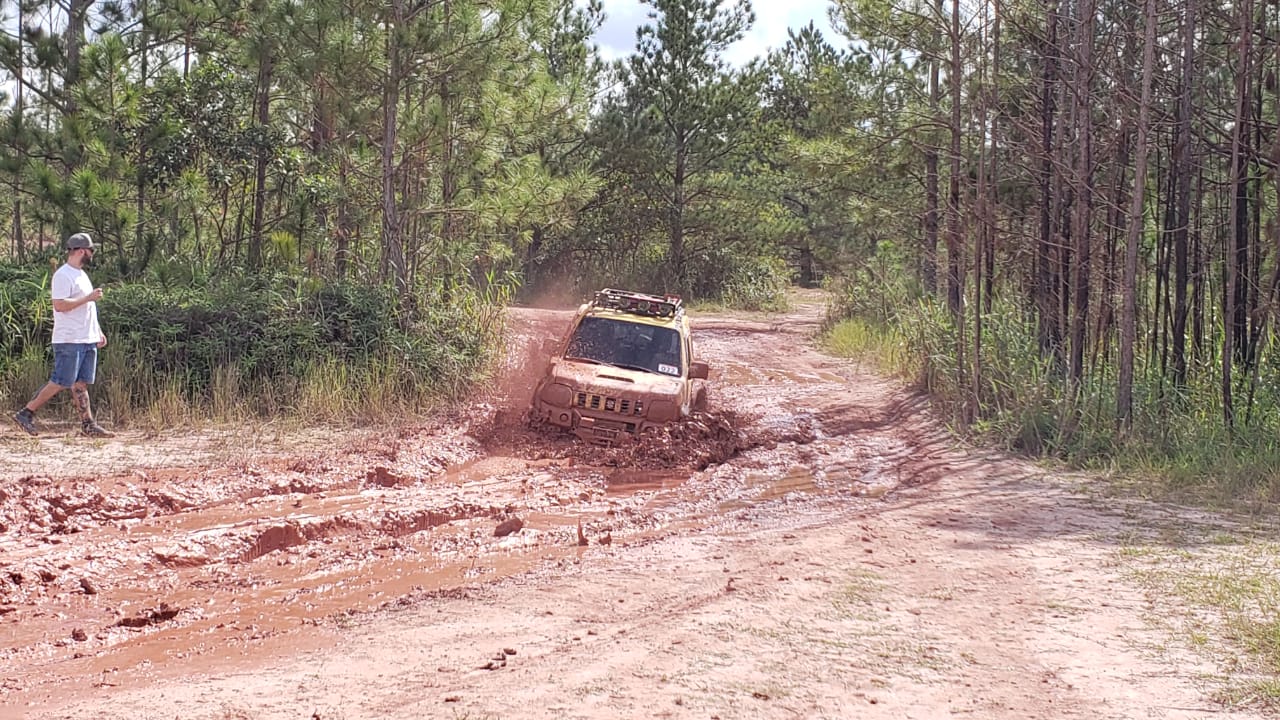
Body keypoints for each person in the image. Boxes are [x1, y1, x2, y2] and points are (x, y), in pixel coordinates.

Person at [13, 232, 114, 438]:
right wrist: (89, 297)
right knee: (61, 381)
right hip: (69, 339)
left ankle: (88, 424)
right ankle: (26, 413)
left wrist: (97, 331)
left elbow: (88, 308)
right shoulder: (63, 275)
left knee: (81, 383)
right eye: (90, 250)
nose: (92, 254)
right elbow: (59, 305)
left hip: (86, 337)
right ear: (81, 251)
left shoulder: (81, 275)